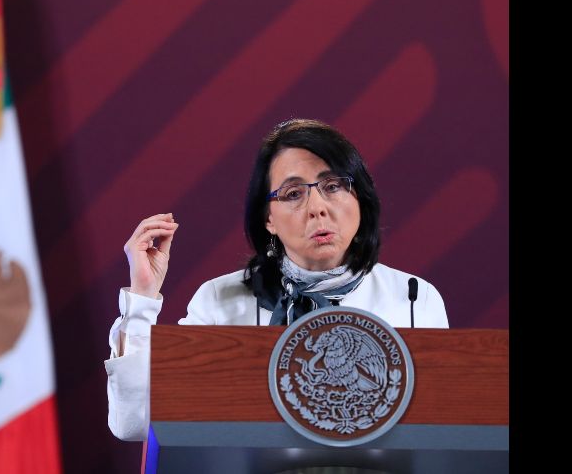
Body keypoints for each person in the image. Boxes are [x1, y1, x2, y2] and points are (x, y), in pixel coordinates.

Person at [105, 118, 449, 441]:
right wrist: (142, 300)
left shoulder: (414, 299)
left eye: (332, 186)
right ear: (268, 218)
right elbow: (136, 422)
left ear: (359, 198)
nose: (317, 208)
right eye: (294, 194)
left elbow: (447, 430)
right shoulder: (220, 300)